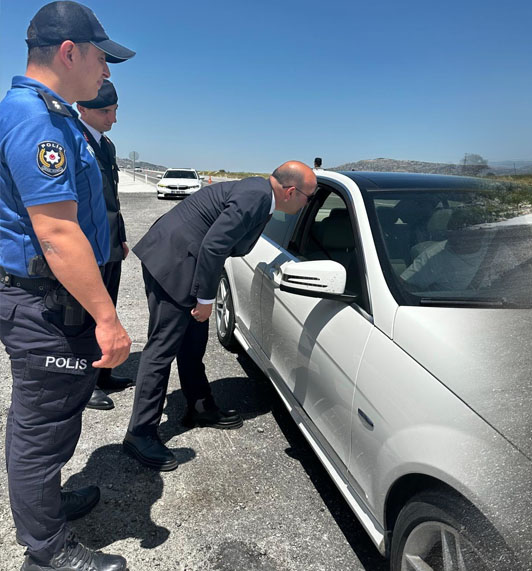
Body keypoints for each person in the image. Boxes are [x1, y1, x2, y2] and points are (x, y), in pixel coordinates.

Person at [0, 2, 135, 569]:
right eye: (103, 58)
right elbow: (55, 232)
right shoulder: (35, 119)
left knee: (56, 418)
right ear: (69, 52)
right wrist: (109, 318)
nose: (107, 72)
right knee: (41, 425)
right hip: (42, 304)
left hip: (54, 302)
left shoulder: (55, 115)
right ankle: (46, 552)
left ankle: (46, 507)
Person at [124, 161, 317, 471]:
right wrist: (205, 298)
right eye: (309, 197)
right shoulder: (256, 197)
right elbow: (214, 245)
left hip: (186, 257)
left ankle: (199, 405)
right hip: (174, 260)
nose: (309, 203)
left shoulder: (262, 193)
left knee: (193, 340)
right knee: (161, 350)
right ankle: (140, 432)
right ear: (292, 192)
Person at [76, 79, 135, 411]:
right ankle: (84, 384)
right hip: (85, 248)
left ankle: (102, 374)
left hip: (109, 244)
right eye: (105, 111)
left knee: (106, 309)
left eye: (114, 110)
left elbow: (111, 198)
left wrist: (120, 236)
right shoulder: (72, 141)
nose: (112, 118)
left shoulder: (106, 146)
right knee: (85, 316)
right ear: (81, 108)